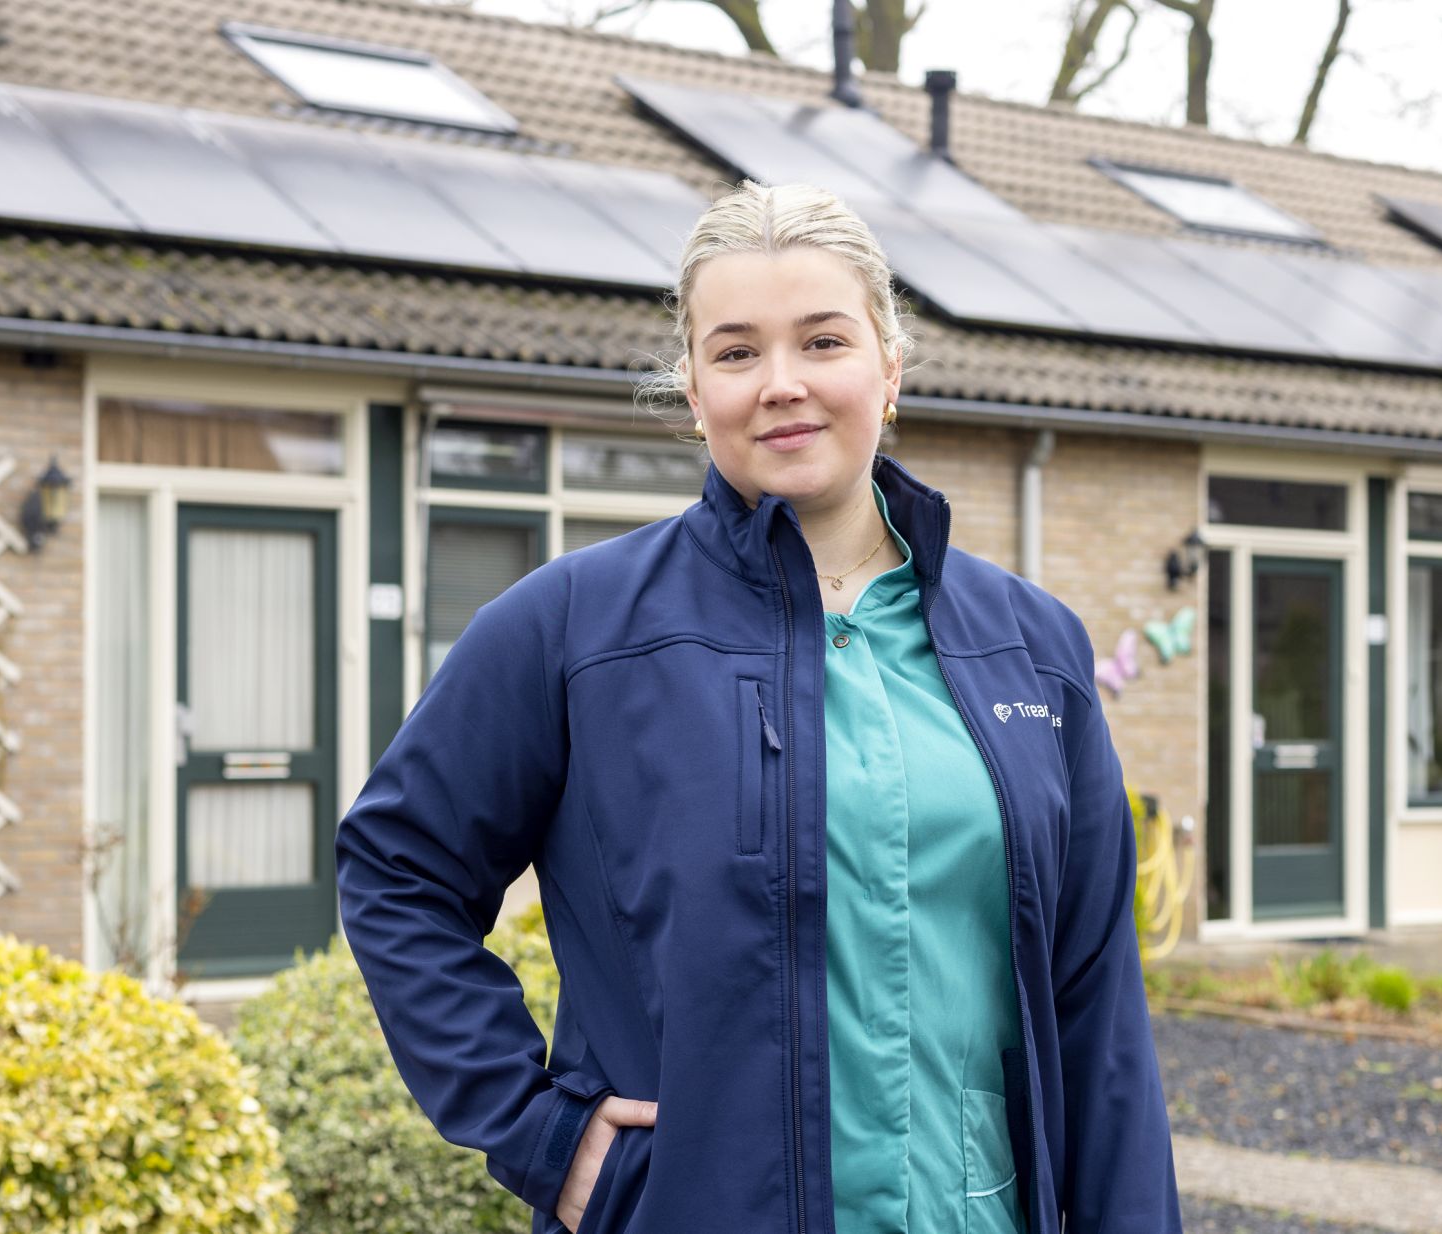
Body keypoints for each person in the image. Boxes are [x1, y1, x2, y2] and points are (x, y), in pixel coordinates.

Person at [335, 180, 1182, 1234]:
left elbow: (1096, 1010)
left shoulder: (1032, 649)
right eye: (736, 353)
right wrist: (540, 1132)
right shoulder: (572, 629)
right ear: (693, 390)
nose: (781, 384)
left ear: (890, 367)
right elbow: (396, 867)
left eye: (823, 341)